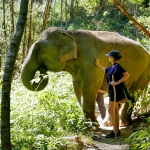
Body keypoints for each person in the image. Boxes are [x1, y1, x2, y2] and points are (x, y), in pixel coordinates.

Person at [94, 50, 130, 138]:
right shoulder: (112, 67)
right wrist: (98, 65)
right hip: (112, 91)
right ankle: (116, 131)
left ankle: (115, 131)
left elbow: (126, 75)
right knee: (115, 111)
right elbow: (106, 70)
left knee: (111, 111)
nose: (108, 57)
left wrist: (117, 82)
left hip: (115, 91)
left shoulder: (117, 66)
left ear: (112, 57)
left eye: (109, 56)